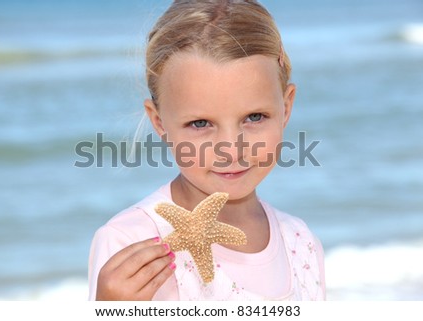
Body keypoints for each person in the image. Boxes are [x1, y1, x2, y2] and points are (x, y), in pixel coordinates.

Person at [88, 0, 325, 301]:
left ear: (286, 107)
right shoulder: (129, 243)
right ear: (160, 122)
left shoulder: (301, 243)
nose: (230, 149)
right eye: (200, 123)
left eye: (254, 117)